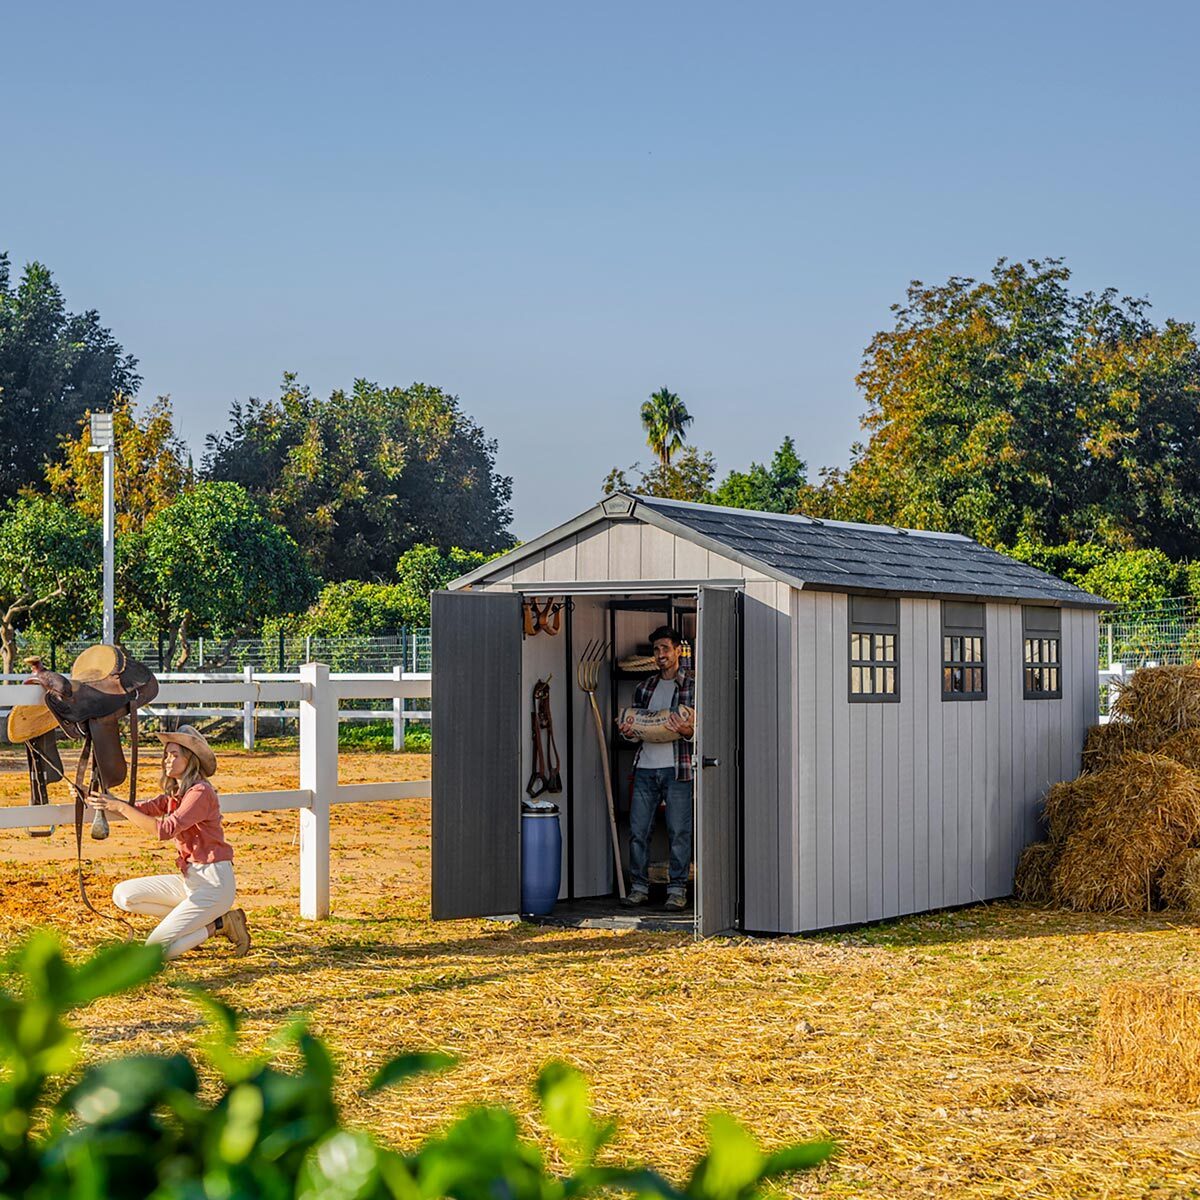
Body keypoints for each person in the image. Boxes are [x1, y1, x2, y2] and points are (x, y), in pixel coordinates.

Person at [90, 725, 250, 960]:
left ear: (190, 759)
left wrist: (120, 807)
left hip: (214, 885)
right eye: (166, 754)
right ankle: (196, 923)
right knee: (123, 895)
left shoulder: (200, 792)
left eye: (174, 755)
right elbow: (139, 809)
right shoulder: (176, 794)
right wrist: (91, 795)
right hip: (191, 880)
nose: (167, 760)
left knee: (153, 952)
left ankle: (215, 925)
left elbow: (165, 830)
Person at [617, 626, 695, 910]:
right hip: (646, 768)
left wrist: (688, 731)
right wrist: (627, 731)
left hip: (678, 770)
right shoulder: (645, 687)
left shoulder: (692, 686)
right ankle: (638, 887)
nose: (660, 655)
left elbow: (703, 731)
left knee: (679, 832)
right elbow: (636, 731)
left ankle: (677, 890)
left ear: (677, 650)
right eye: (656, 650)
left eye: (665, 649)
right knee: (638, 830)